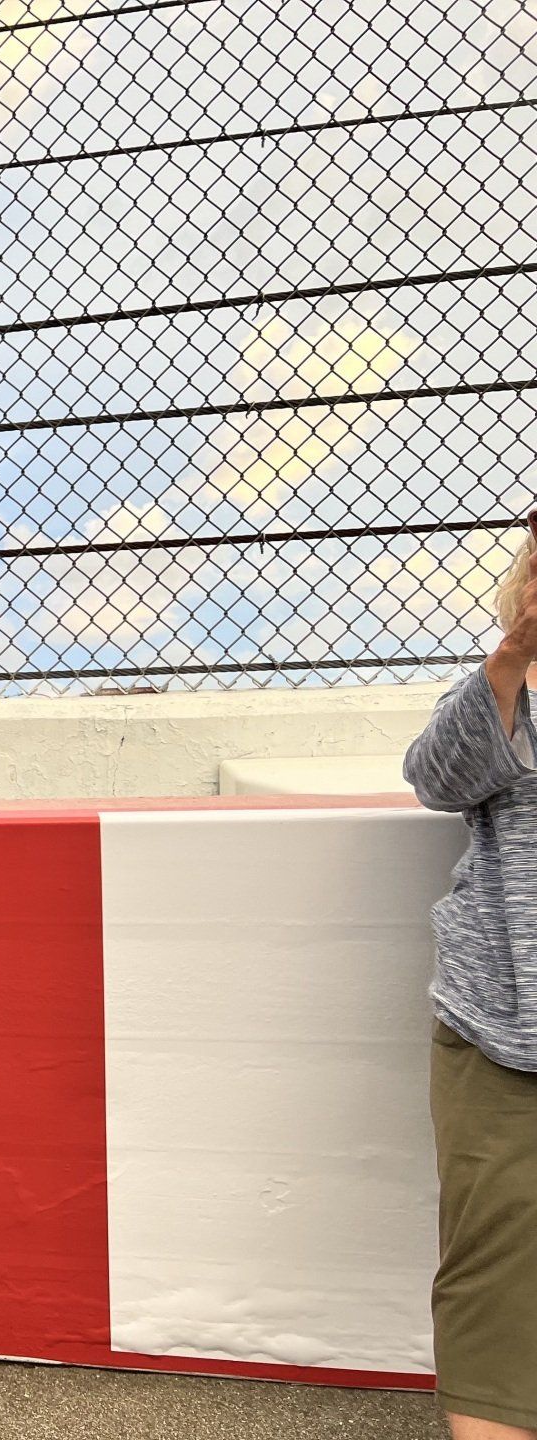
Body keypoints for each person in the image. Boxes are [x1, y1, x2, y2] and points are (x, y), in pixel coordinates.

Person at [403, 528, 537, 1440]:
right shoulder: (504, 687)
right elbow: (434, 778)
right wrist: (513, 658)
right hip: (502, 1024)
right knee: (493, 1258)